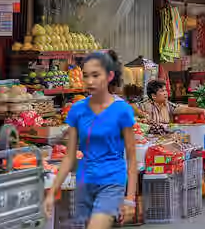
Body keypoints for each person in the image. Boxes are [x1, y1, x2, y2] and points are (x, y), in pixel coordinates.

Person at [44, 52, 138, 228]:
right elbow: (69, 157)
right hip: (85, 181)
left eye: (96, 75)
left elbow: (132, 158)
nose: (90, 81)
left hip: (112, 181)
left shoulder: (122, 110)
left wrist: (130, 199)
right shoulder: (77, 110)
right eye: (86, 75)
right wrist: (52, 192)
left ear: (110, 76)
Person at [136, 80, 205, 125]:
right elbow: (131, 108)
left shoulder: (168, 105)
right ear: (153, 96)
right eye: (162, 91)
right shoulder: (144, 105)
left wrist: (202, 111)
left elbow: (183, 109)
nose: (166, 93)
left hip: (165, 139)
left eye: (165, 90)